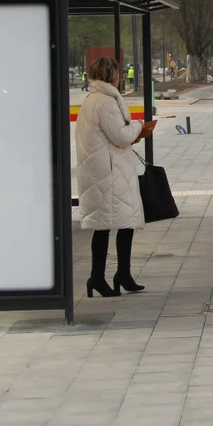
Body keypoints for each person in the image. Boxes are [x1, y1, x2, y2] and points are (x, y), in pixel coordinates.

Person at [75, 56, 156, 298]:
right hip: (110, 173)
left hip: (103, 169)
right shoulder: (105, 102)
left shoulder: (91, 100)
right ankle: (108, 275)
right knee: (120, 223)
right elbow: (121, 136)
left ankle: (106, 276)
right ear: (112, 75)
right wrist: (140, 126)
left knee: (111, 225)